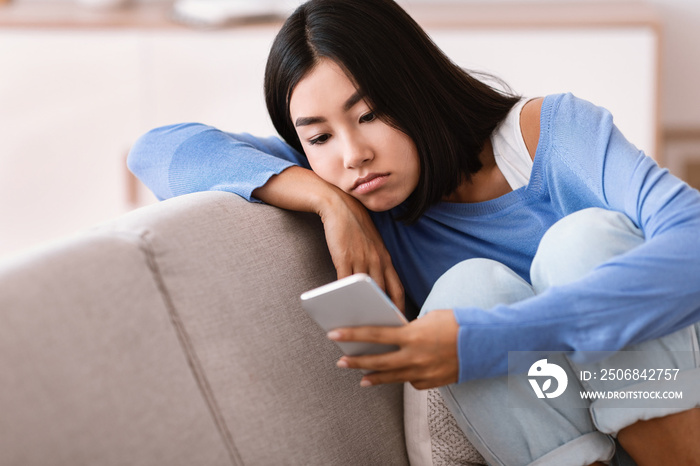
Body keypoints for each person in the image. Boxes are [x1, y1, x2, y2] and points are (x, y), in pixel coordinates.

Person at [127, 0, 700, 464]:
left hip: (671, 407)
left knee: (583, 243)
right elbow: (156, 149)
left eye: (370, 114)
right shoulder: (350, 188)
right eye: (318, 137)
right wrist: (328, 202)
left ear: (417, 85)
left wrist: (486, 337)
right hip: (561, 435)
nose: (353, 155)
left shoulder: (549, 134)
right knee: (466, 289)